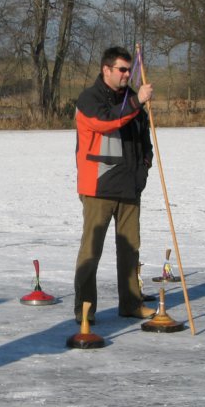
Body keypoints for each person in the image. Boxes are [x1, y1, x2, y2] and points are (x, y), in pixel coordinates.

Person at [73, 46, 156, 324]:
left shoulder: (132, 98)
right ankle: (85, 309)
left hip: (130, 187)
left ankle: (131, 303)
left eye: (129, 70)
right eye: (122, 69)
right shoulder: (89, 99)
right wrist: (137, 103)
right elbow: (106, 121)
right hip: (99, 186)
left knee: (130, 249)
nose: (127, 75)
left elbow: (144, 136)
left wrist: (145, 165)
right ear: (106, 69)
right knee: (91, 251)